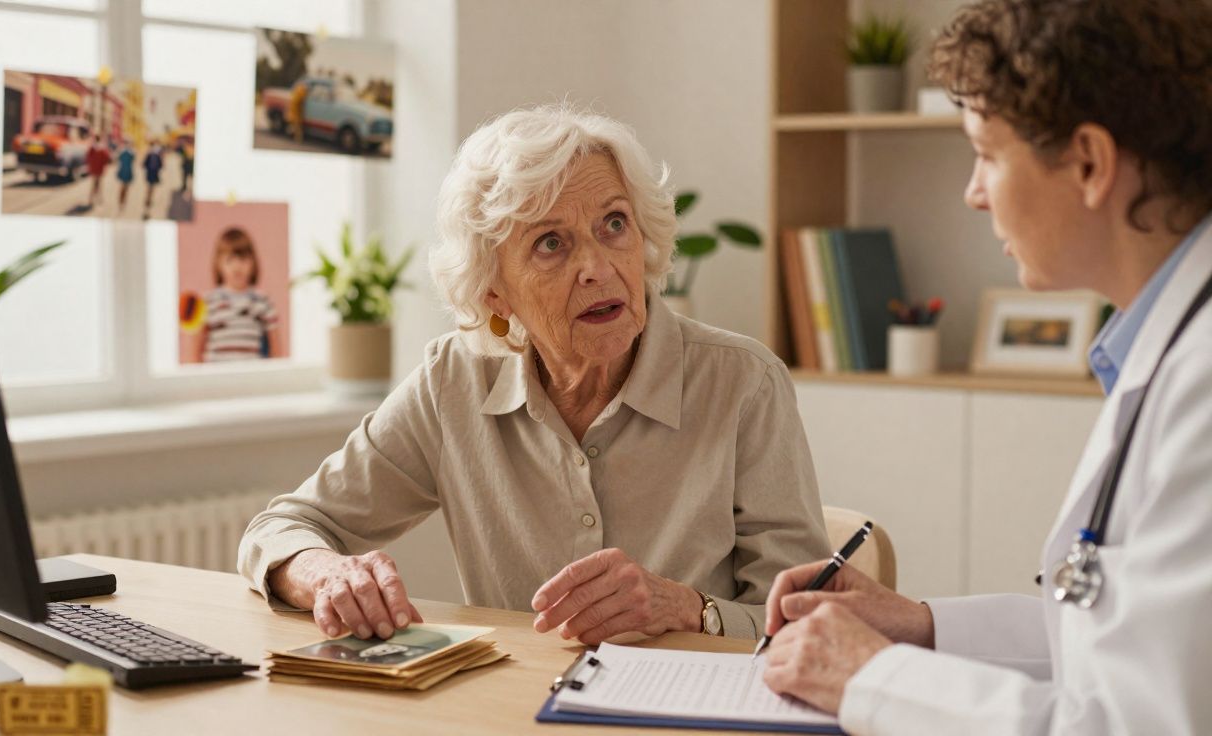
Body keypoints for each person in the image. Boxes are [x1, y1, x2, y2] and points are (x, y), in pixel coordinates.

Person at [758, 1, 1212, 733]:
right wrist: (920, 625)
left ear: (1090, 163)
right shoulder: (1167, 349)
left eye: (987, 154)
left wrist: (874, 678)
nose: (973, 193)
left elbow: (1144, 723)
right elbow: (1127, 643)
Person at [238, 105, 830, 645]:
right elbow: (286, 526)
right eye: (551, 243)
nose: (598, 268)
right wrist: (328, 575)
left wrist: (687, 607)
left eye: (614, 224)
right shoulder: (454, 383)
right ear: (495, 292)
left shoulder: (743, 384)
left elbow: (808, 616)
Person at [191, 227, 279, 363]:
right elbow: (195, 352)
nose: (237, 266)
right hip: (216, 378)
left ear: (253, 263)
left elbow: (276, 350)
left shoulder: (263, 302)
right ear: (219, 263)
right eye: (229, 260)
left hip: (250, 377)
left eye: (243, 260)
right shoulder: (207, 301)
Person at [84, 135, 111, 209]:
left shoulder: (92, 148)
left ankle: (91, 200)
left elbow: (87, 158)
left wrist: (90, 164)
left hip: (93, 168)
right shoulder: (103, 148)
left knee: (93, 184)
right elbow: (107, 159)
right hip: (100, 169)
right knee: (99, 184)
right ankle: (99, 199)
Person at [141, 139, 163, 216]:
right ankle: (149, 198)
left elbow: (144, 164)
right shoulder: (157, 155)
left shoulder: (150, 154)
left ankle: (148, 198)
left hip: (150, 172)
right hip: (154, 173)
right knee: (152, 187)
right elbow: (161, 165)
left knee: (149, 186)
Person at [115, 139, 135, 208]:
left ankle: (121, 201)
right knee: (125, 188)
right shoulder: (131, 152)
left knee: (123, 187)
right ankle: (123, 201)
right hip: (127, 171)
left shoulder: (122, 151)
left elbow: (117, 159)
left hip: (123, 170)